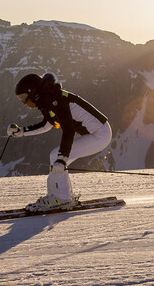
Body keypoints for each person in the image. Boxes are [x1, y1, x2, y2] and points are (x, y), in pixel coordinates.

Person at [6, 72, 112, 212]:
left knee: (57, 157)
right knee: (56, 158)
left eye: (24, 97)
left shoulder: (57, 101)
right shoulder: (47, 100)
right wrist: (21, 131)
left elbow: (68, 130)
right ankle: (59, 197)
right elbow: (46, 125)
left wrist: (62, 158)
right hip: (93, 133)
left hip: (100, 135)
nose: (24, 102)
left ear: (33, 93)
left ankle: (61, 199)